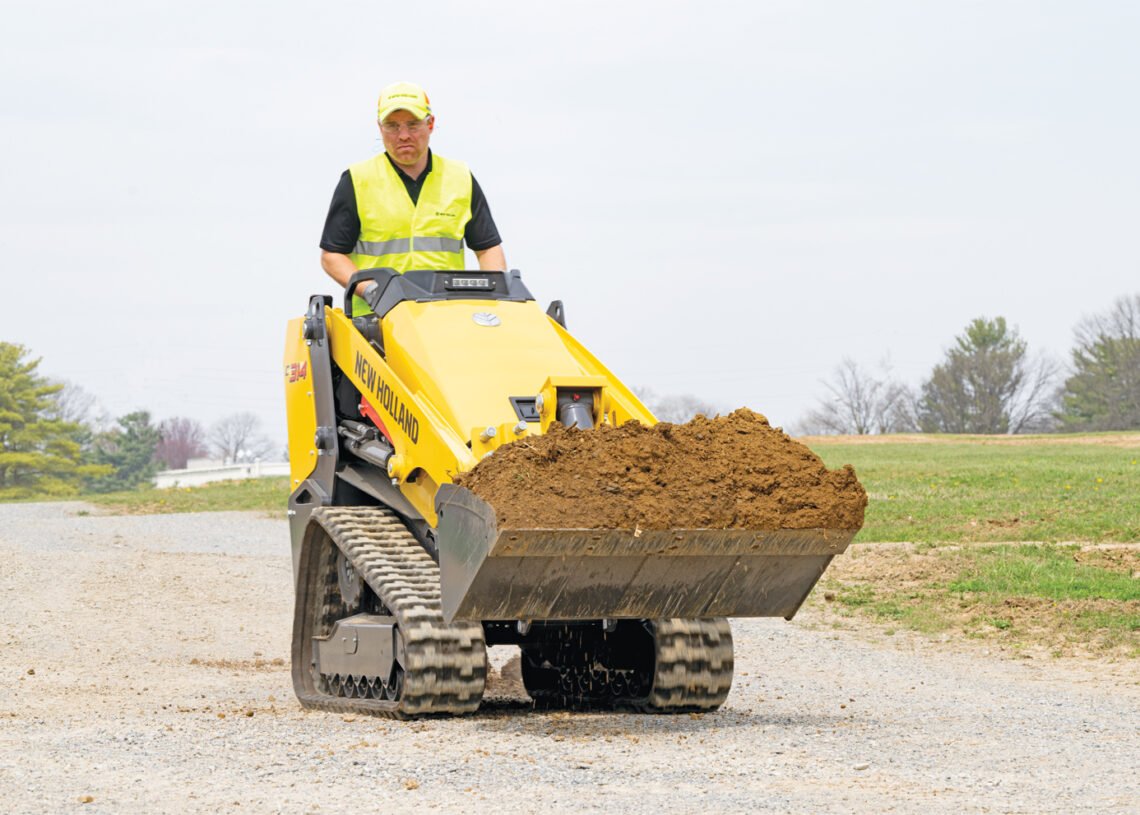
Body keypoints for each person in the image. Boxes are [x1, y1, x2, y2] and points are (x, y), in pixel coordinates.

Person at [319, 81, 506, 315]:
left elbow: (488, 248)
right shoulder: (357, 180)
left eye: (413, 125)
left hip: (447, 316)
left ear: (431, 124)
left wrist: (496, 299)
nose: (403, 135)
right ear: (380, 128)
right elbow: (332, 255)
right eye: (392, 126)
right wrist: (371, 291)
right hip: (377, 322)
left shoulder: (460, 178)